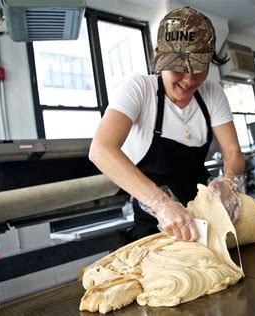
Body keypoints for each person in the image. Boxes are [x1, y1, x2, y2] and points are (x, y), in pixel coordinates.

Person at [89, 6, 245, 242]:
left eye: (200, 68)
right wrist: (161, 204)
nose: (189, 80)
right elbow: (101, 150)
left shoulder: (212, 92)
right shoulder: (140, 90)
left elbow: (233, 151)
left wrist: (229, 181)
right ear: (160, 59)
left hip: (206, 217)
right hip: (158, 223)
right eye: (180, 68)